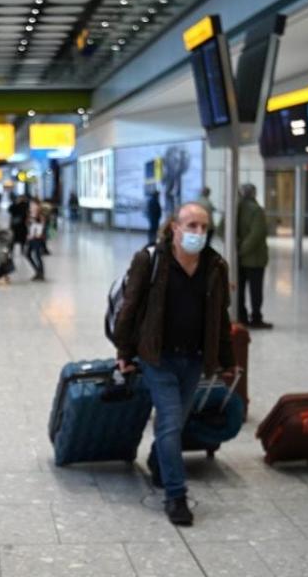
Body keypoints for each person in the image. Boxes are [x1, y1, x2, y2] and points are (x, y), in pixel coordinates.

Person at [113, 203, 236, 527]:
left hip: (194, 359)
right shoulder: (151, 260)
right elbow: (131, 307)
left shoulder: (215, 266)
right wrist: (124, 352)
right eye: (191, 225)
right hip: (158, 357)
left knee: (176, 422)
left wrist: (227, 360)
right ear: (174, 228)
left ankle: (157, 461)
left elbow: (220, 317)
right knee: (169, 421)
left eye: (203, 227)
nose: (198, 233)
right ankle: (176, 495)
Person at [236, 183, 272, 329]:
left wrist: (236, 247)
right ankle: (256, 317)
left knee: (239, 290)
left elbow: (221, 229)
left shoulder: (235, 208)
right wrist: (243, 250)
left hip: (239, 259)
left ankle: (241, 316)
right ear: (254, 193)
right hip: (254, 259)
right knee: (255, 290)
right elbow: (257, 234)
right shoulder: (256, 210)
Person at [25, 199, 46, 281]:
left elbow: (41, 228)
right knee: (27, 254)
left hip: (37, 239)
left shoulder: (40, 216)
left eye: (34, 205)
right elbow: (29, 226)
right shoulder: (30, 215)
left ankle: (41, 273)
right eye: (31, 205)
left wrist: (35, 234)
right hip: (31, 238)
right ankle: (37, 270)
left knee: (37, 255)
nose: (32, 207)